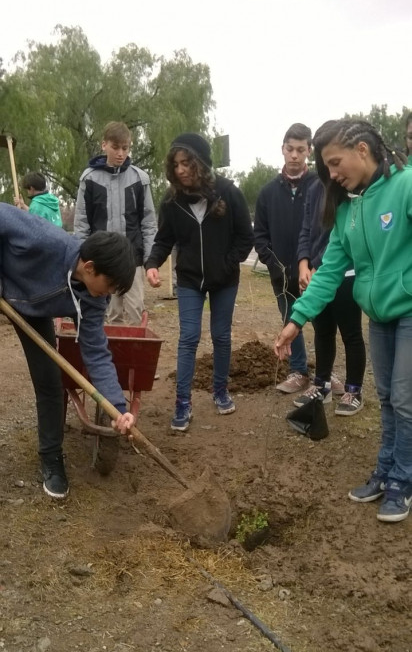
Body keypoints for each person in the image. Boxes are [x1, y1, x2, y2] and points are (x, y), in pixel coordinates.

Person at [275, 118, 412, 523]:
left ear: (363, 151)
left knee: (405, 401)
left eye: (335, 163)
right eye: (327, 167)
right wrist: (296, 320)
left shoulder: (405, 186)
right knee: (386, 397)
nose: (332, 174)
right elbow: (329, 270)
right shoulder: (349, 207)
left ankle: (403, 481)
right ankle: (386, 471)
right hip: (380, 315)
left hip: (409, 312)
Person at [0, 203, 136, 499]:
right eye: (109, 285)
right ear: (89, 267)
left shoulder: (92, 297)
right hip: (6, 291)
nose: (109, 293)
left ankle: (51, 459)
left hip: (33, 312)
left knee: (50, 383)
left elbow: (96, 352)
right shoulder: (43, 239)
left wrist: (117, 407)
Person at [145, 133, 254, 431]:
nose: (180, 170)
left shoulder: (229, 192)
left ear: (202, 164)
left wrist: (226, 264)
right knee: (189, 337)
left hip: (225, 280)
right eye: (176, 164)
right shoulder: (171, 201)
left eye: (187, 163)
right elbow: (164, 239)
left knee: (221, 336)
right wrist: (153, 263)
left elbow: (246, 238)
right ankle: (183, 402)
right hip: (190, 279)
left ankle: (220, 391)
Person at [253, 123, 318, 394]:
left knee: (325, 322)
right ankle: (298, 371)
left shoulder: (319, 185)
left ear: (309, 151)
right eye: (290, 149)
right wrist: (273, 262)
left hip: (315, 272)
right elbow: (260, 236)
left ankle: (325, 374)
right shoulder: (268, 193)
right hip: (282, 275)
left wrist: (316, 263)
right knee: (291, 320)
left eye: (300, 150)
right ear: (282, 149)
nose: (294, 155)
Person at [295, 178, 366, 415]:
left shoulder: (350, 184)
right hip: (315, 274)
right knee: (322, 331)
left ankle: (353, 390)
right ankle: (321, 385)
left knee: (351, 333)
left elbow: (340, 233)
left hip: (345, 272)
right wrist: (303, 263)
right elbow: (306, 229)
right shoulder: (314, 188)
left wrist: (317, 264)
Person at [74, 121, 157, 325]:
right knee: (111, 313)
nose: (121, 153)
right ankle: (111, 354)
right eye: (115, 147)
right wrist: (82, 259)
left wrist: (150, 261)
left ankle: (135, 353)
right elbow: (82, 223)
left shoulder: (140, 179)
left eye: (125, 148)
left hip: (133, 258)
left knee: (136, 308)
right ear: (104, 145)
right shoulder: (89, 179)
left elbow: (148, 222)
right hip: (103, 259)